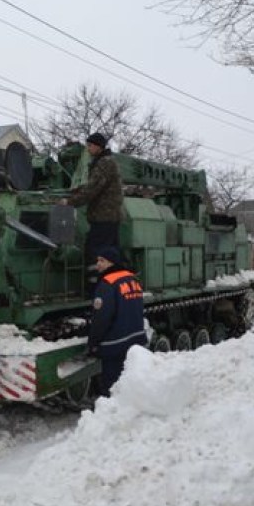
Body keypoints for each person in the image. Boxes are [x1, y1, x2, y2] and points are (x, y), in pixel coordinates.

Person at [61, 133, 123, 287]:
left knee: (95, 253)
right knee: (110, 254)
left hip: (103, 218)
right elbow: (91, 187)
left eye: (90, 145)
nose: (88, 149)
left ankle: (97, 287)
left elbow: (92, 189)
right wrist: (75, 192)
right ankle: (113, 283)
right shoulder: (106, 162)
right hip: (109, 218)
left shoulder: (104, 163)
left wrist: (69, 202)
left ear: (98, 146)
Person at [87, 245, 147, 396]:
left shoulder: (107, 284)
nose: (98, 264)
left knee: (112, 385)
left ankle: (113, 412)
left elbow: (102, 318)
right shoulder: (132, 278)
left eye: (102, 260)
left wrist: (93, 343)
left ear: (111, 262)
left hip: (115, 344)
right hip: (135, 339)